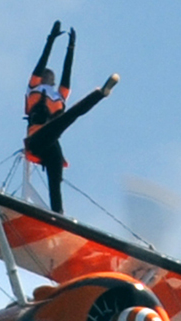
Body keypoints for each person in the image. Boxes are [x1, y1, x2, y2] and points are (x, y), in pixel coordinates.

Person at [23, 21, 120, 215]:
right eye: (46, 76)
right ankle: (100, 94)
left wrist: (71, 47)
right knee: (71, 115)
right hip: (36, 138)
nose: (49, 78)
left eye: (51, 77)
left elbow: (67, 72)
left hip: (51, 142)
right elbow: (42, 62)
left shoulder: (60, 94)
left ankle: (58, 213)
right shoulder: (33, 87)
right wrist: (51, 40)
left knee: (55, 174)